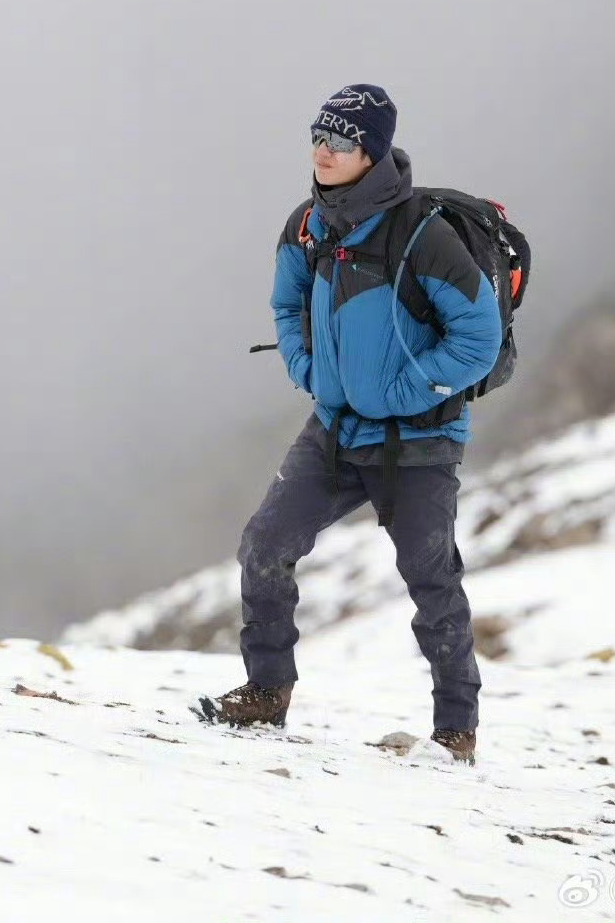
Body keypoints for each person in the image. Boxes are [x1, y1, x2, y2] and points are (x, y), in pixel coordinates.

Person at [202, 84, 503, 764]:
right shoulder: (307, 226)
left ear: (371, 152)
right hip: (336, 429)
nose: (323, 151)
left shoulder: (424, 235)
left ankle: (456, 731)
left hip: (420, 438)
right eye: (318, 136)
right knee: (264, 544)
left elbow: (477, 336)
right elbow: (286, 305)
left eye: (340, 141)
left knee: (430, 581)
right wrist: (308, 369)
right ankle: (266, 692)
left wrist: (406, 389)